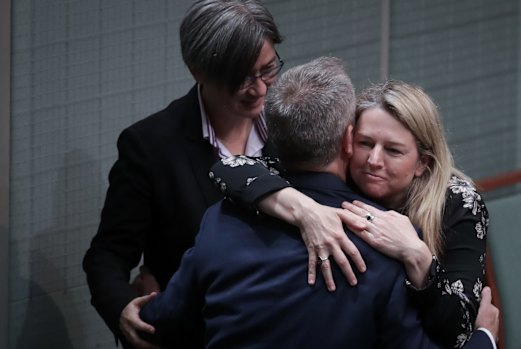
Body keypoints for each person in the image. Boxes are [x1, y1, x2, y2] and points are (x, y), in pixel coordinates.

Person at [139, 56, 499, 349]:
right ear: (346, 141)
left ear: (423, 162)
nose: (373, 160)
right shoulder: (333, 189)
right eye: (365, 143)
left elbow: (457, 332)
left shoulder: (456, 202)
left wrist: (418, 256)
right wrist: (304, 209)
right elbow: (229, 167)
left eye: (392, 150)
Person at [82, 1, 283, 348]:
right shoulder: (150, 145)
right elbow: (108, 255)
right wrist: (122, 309)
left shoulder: (290, 125)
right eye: (242, 78)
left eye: (268, 70)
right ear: (198, 70)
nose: (261, 89)